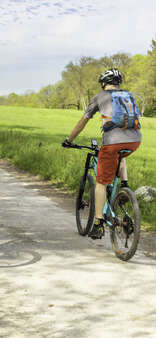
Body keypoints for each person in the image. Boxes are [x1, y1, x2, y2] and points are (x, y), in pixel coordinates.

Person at [63, 68, 142, 239]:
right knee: (121, 155)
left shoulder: (100, 97)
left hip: (113, 142)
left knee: (101, 183)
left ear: (103, 83)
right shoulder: (129, 95)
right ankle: (125, 186)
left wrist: (69, 140)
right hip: (135, 141)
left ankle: (98, 223)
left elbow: (83, 121)